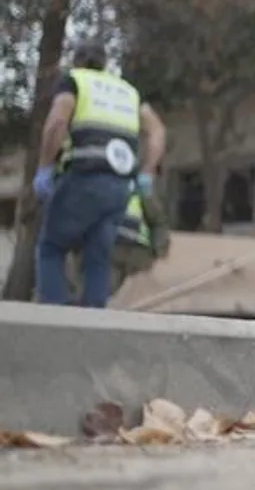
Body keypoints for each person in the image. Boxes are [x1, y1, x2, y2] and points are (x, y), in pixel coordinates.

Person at [33, 41, 166, 307]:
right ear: (105, 63)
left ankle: (52, 320)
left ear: (77, 61)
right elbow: (157, 132)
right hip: (120, 188)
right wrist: (147, 173)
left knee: (51, 247)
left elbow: (57, 122)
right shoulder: (129, 92)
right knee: (98, 257)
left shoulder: (74, 81)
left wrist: (45, 167)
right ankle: (93, 325)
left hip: (83, 177)